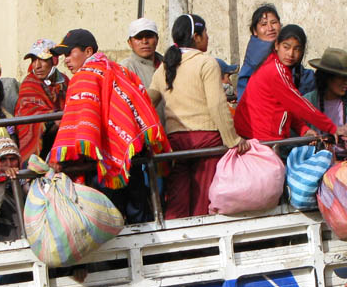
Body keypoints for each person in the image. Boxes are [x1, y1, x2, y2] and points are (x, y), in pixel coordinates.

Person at [49, 28, 169, 223]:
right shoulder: (120, 70)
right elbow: (141, 106)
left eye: (69, 53)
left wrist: (61, 158)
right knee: (138, 216)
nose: (66, 60)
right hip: (131, 156)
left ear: (88, 52)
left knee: (108, 219)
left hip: (101, 164)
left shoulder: (84, 77)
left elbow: (79, 124)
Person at [148, 14, 249, 219]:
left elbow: (147, 102)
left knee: (177, 201)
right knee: (204, 200)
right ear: (196, 36)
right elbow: (217, 106)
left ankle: (176, 248)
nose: (208, 37)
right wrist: (233, 140)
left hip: (175, 142)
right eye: (206, 33)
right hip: (206, 141)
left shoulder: (165, 68)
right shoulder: (206, 63)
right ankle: (203, 250)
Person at [233, 24, 341, 146]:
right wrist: (331, 127)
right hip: (259, 138)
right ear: (276, 45)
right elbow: (299, 104)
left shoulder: (278, 66)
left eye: (297, 49)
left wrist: (303, 129)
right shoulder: (275, 71)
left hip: (259, 136)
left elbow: (287, 105)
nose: (291, 54)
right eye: (286, 47)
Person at [15, 38, 68, 161]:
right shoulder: (29, 84)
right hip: (42, 146)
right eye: (34, 60)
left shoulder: (64, 81)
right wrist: (54, 119)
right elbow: (27, 112)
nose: (37, 66)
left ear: (54, 60)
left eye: (42, 60)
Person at [119, 17, 163, 87]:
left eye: (149, 36)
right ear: (130, 42)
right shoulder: (125, 68)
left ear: (157, 39)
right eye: (139, 37)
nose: (144, 41)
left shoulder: (167, 63)